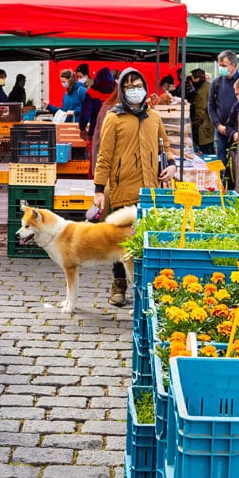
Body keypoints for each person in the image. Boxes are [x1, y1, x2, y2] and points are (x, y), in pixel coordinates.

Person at [92, 69, 174, 307]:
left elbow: (165, 147)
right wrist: (99, 189)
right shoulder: (113, 118)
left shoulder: (154, 118)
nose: (134, 90)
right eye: (129, 87)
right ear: (122, 91)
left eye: (138, 85)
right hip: (122, 188)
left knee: (147, 239)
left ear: (145, 87)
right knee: (122, 240)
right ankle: (119, 283)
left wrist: (171, 165)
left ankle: (146, 286)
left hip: (150, 189)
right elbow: (104, 156)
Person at [209, 50, 239, 186]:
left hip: (238, 132)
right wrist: (217, 125)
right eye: (219, 65)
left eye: (224, 65)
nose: (221, 68)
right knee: (221, 163)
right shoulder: (216, 83)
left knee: (238, 165)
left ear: (233, 65)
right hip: (221, 130)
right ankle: (223, 190)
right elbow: (211, 106)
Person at [80, 66, 116, 142]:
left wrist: (82, 128)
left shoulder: (91, 92)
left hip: (95, 132)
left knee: (96, 153)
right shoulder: (117, 91)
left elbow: (85, 113)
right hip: (115, 132)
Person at [184, 68, 214, 154]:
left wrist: (193, 124)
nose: (192, 81)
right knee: (210, 150)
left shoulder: (201, 92)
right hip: (210, 124)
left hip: (204, 127)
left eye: (193, 78)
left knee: (206, 153)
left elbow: (200, 112)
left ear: (197, 78)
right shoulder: (209, 86)